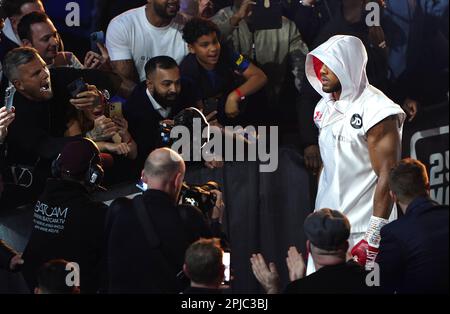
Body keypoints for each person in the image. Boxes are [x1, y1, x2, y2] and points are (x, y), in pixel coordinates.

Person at [304, 35, 406, 272]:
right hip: (326, 228)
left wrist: (373, 237)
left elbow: (387, 175)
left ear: (348, 65)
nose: (323, 72)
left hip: (361, 227)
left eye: (331, 65)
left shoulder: (378, 110)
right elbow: (328, 164)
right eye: (321, 65)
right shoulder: (323, 107)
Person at [107, 147, 223, 293]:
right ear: (177, 180)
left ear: (143, 175)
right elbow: (213, 270)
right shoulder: (187, 217)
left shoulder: (118, 209)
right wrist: (215, 222)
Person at [1, 47, 104, 208]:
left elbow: (109, 82)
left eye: (43, 67)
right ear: (19, 84)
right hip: (26, 196)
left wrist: (99, 98)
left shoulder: (58, 77)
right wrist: (92, 142)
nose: (45, 74)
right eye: (36, 74)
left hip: (63, 177)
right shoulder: (13, 113)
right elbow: (46, 147)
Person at [21, 139, 109, 294]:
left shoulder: (44, 198)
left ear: (56, 166)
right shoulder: (95, 213)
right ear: (93, 176)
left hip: (36, 284)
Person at [211, 0, 309, 120]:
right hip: (229, 106)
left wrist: (308, 108)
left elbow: (303, 71)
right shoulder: (222, 18)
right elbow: (202, 44)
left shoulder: (284, 26)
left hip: (271, 103)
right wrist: (235, 20)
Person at [250, 208, 376, 294]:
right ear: (346, 246)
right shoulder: (372, 282)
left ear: (308, 247)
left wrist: (273, 289)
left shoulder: (299, 289)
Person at [377, 158, 449, 294]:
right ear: (428, 186)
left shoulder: (393, 233)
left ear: (393, 196)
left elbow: (378, 283)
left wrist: (354, 265)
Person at [180, 18, 267, 124]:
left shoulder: (226, 52)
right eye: (205, 45)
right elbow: (200, 113)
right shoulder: (187, 71)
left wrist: (235, 95)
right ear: (191, 48)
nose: (213, 49)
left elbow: (259, 76)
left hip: (235, 111)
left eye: (215, 42)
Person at [105, 0, 189, 97]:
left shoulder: (189, 26)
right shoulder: (121, 25)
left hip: (179, 102)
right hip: (136, 104)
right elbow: (123, 81)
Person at [124, 56, 187, 166]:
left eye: (177, 83)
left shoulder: (187, 91)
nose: (174, 89)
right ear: (150, 85)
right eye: (166, 84)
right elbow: (139, 157)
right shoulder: (132, 110)